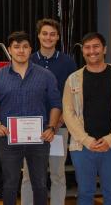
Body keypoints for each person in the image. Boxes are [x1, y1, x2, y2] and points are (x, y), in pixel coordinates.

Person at [0, 31, 62, 205]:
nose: (21, 50)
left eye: (25, 46)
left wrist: (51, 127)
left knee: (40, 184)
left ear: (30, 49)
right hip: (8, 139)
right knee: (10, 185)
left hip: (39, 139)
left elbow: (56, 104)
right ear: (10, 50)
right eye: (16, 47)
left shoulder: (45, 76)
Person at [63, 32, 111, 205]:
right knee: (85, 192)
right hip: (82, 147)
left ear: (104, 49)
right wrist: (86, 140)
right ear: (83, 52)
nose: (92, 51)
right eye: (87, 48)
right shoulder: (73, 80)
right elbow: (68, 113)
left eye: (96, 46)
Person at [21, 18, 77, 205]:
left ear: (58, 37)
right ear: (38, 36)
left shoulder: (68, 62)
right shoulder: (27, 60)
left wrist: (60, 118)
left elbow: (72, 93)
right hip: (31, 127)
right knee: (29, 175)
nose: (48, 37)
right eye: (44, 33)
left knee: (57, 174)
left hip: (58, 127)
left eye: (52, 34)